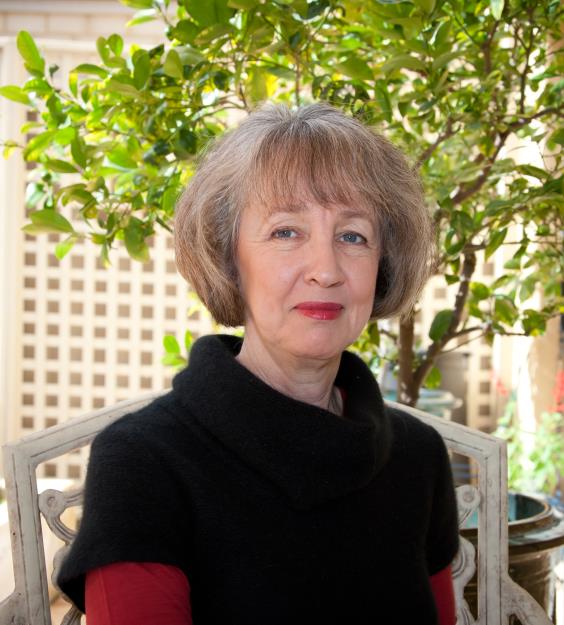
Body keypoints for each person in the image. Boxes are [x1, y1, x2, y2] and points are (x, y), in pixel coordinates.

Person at [57, 102, 460, 625]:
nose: (326, 270)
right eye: (286, 232)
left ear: (382, 265)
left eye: (353, 236)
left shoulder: (417, 456)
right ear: (229, 259)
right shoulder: (144, 462)